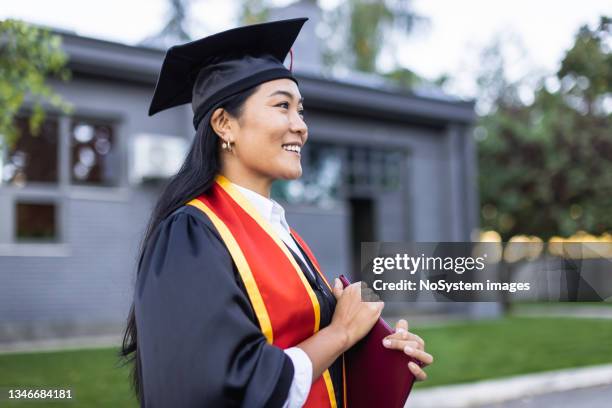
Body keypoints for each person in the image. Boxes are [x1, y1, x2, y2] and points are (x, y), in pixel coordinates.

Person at [120, 17, 433, 407]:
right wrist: (340, 334)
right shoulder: (192, 235)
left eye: (301, 111)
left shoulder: (280, 234)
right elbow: (220, 386)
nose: (300, 126)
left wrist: (375, 351)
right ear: (223, 124)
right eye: (282, 105)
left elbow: (300, 357)